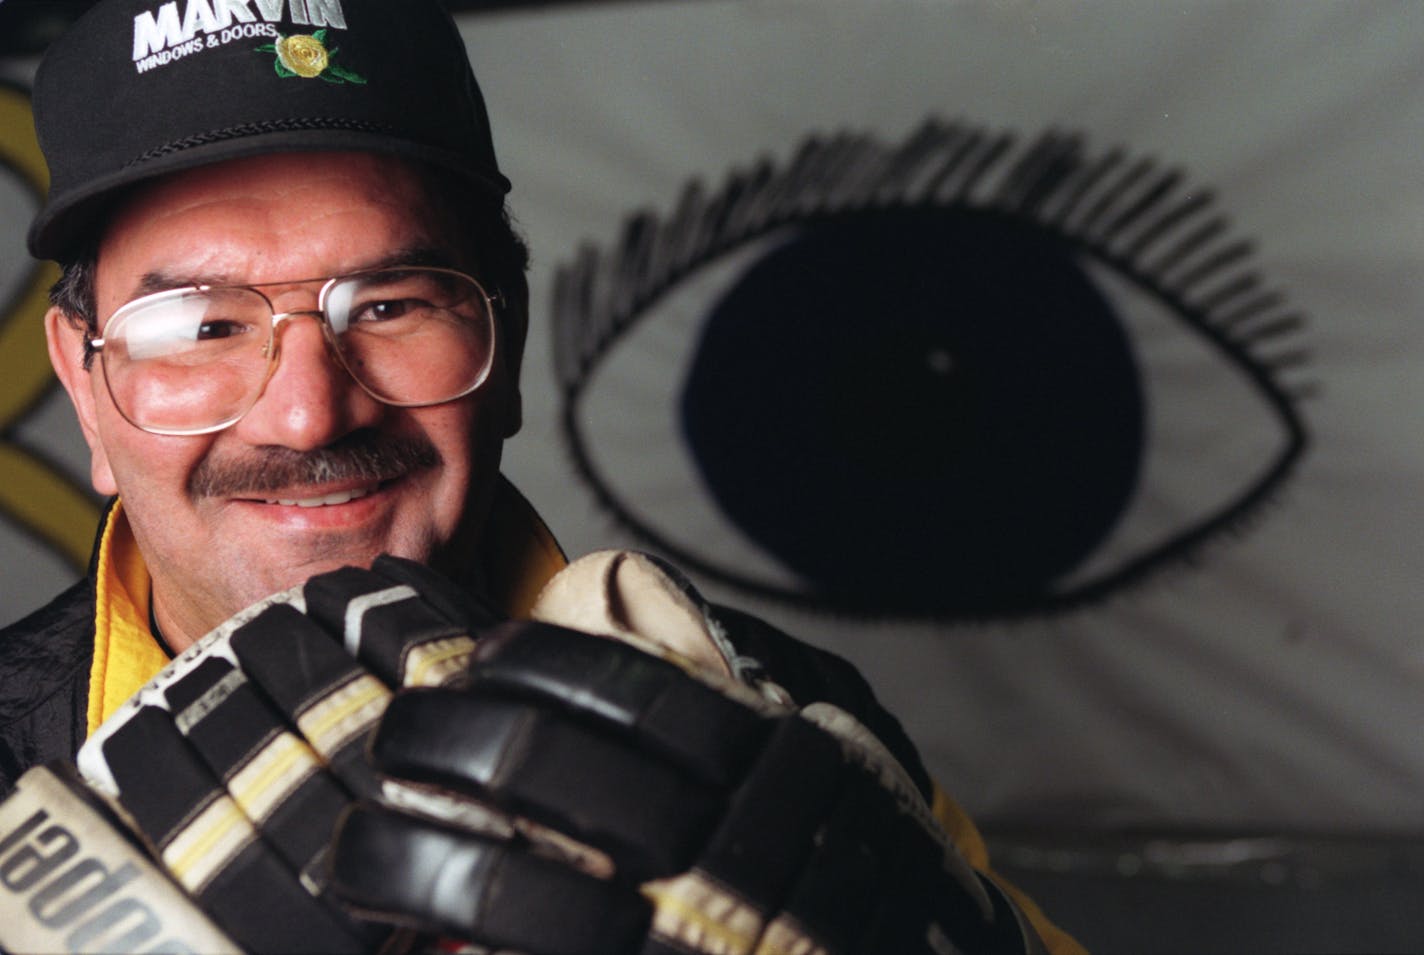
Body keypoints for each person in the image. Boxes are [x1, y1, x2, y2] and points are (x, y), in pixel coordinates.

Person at [0, 1, 1083, 952]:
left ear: (503, 344)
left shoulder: (784, 727)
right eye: (199, 324)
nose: (308, 410)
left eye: (390, 305)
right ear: (83, 385)